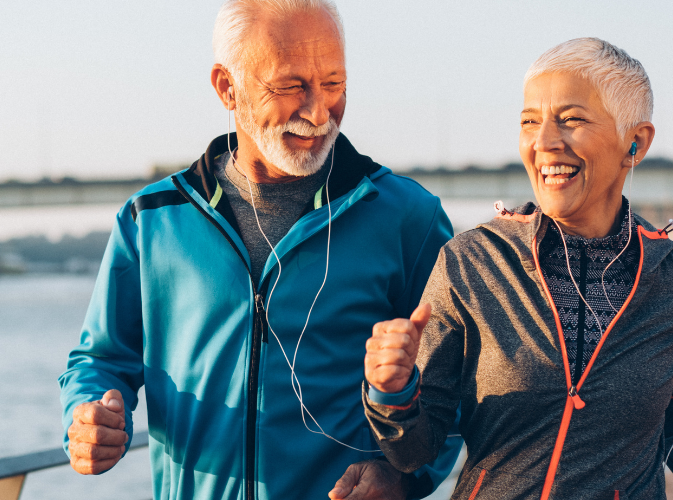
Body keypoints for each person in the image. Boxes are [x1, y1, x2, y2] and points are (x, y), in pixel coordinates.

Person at [58, 1, 462, 499]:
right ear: (227, 86)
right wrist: (88, 416)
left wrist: (404, 478)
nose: (318, 112)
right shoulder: (152, 219)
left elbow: (461, 384)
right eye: (291, 86)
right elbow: (100, 359)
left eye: (334, 84)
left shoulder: (409, 218)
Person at [362, 38, 673, 500]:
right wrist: (393, 391)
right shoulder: (472, 263)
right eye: (530, 122)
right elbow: (415, 452)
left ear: (636, 141)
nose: (544, 143)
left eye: (571, 120)